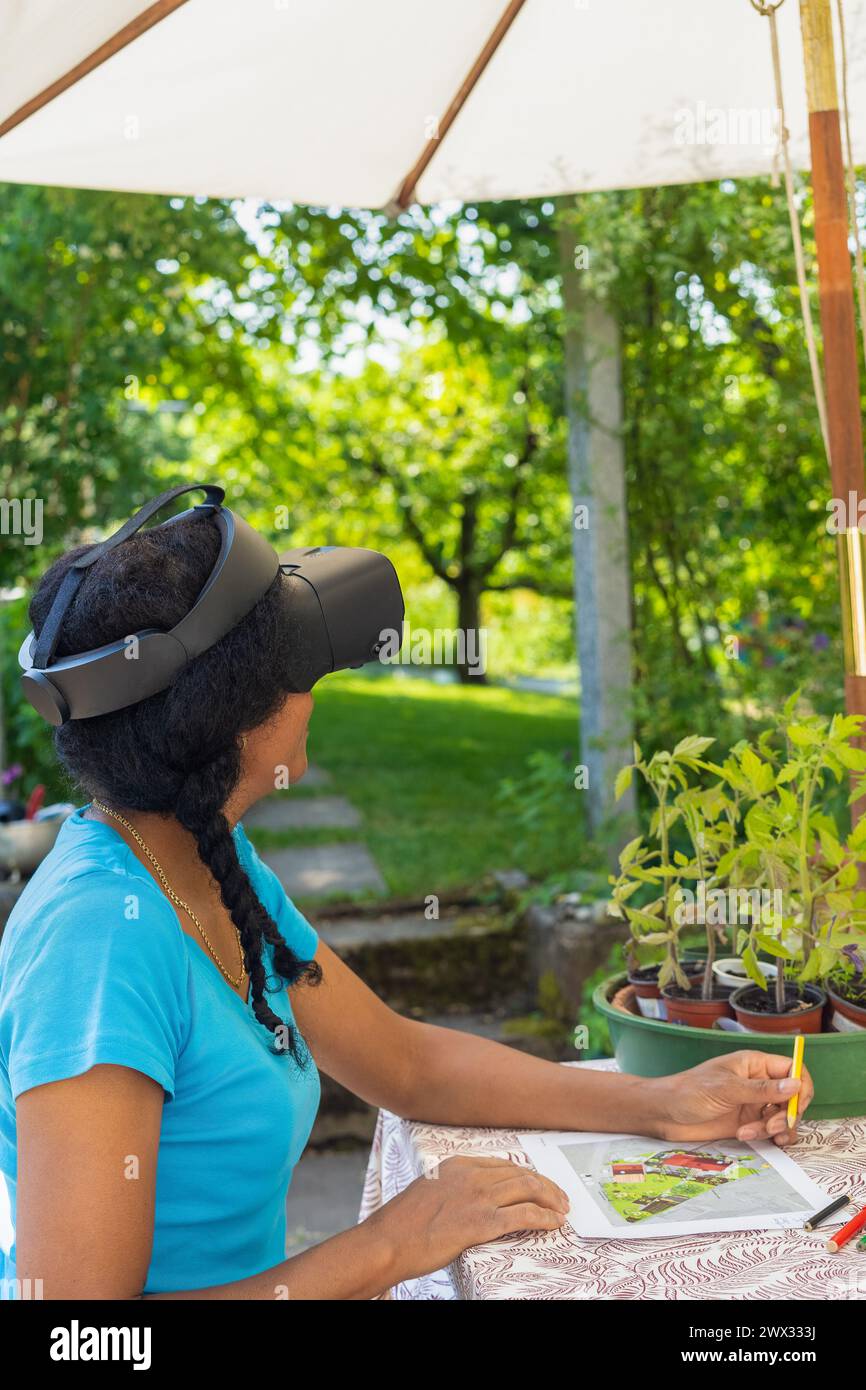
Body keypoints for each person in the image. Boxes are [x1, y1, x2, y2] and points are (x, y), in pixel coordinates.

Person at [0, 506, 813, 1300]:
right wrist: (392, 1241)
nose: (314, 691)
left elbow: (405, 1064)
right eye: (297, 667)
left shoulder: (198, 855)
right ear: (228, 719)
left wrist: (660, 1103)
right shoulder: (101, 943)